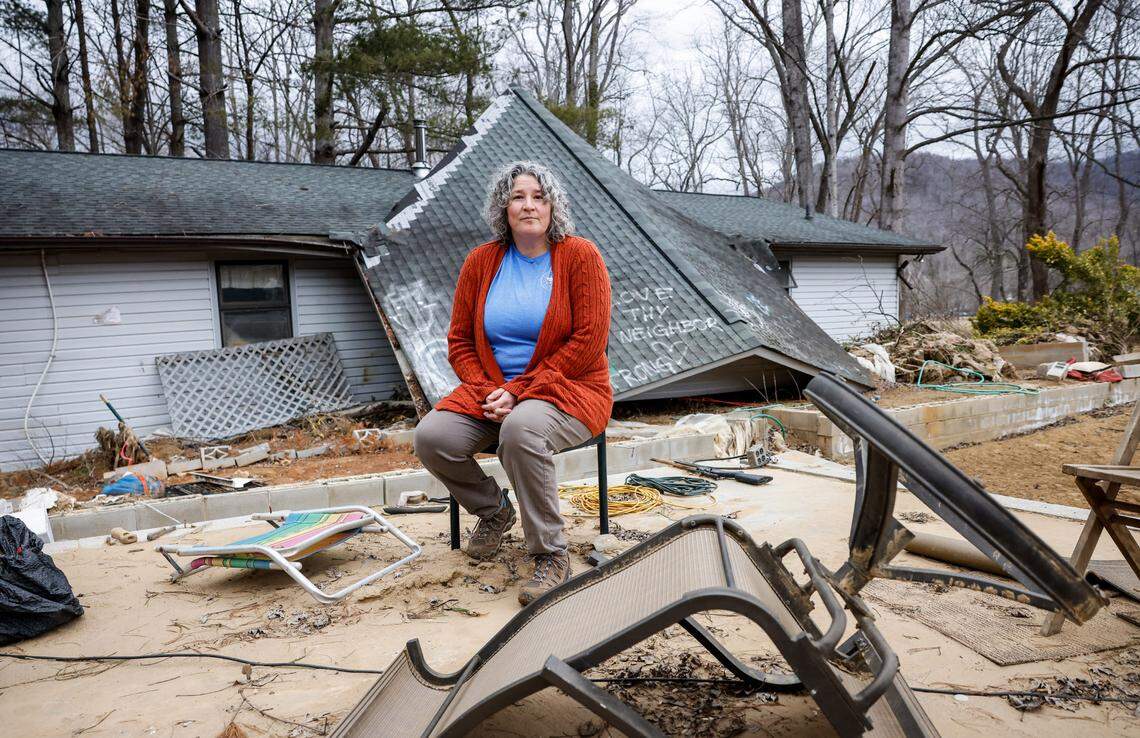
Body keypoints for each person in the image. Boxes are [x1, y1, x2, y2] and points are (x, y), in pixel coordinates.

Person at [413, 160, 612, 606]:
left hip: (571, 390)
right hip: (494, 393)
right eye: (518, 197)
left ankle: (550, 554)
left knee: (521, 430)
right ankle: (494, 510)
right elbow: (460, 340)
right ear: (502, 207)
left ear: (553, 205)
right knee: (431, 436)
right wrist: (489, 392)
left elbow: (588, 343)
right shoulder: (481, 262)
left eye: (538, 197)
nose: (528, 206)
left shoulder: (580, 256)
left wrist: (519, 391)